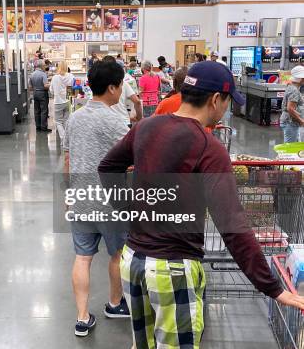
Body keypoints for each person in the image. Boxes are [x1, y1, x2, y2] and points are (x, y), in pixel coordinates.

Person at [99, 61, 304, 349]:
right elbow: (232, 224)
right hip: (173, 270)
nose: (227, 108)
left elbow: (108, 166)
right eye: (228, 100)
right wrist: (272, 287)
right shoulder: (208, 147)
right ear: (215, 99)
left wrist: (130, 211)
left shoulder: (146, 127)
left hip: (133, 262)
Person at [63, 60, 131, 338]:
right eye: (121, 85)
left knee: (82, 257)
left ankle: (82, 317)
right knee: (117, 255)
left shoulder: (75, 117)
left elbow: (68, 157)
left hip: (80, 197)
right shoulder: (116, 120)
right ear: (113, 87)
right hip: (111, 201)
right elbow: (132, 159)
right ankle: (115, 304)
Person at [107, 56, 142, 126]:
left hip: (107, 123)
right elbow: (137, 101)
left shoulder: (100, 84)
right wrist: (139, 118)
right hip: (123, 121)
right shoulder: (124, 82)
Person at [49, 61, 74, 141]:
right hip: (68, 101)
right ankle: (67, 138)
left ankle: (63, 138)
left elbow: (51, 90)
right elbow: (72, 89)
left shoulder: (55, 77)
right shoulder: (71, 76)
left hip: (58, 102)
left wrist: (56, 93)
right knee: (66, 120)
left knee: (58, 121)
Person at [280, 65, 304, 143]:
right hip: (290, 122)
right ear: (301, 79)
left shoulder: (292, 87)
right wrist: (301, 121)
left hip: (290, 122)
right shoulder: (294, 90)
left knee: (295, 145)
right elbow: (290, 109)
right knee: (289, 148)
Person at [29, 59, 51, 132]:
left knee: (36, 110)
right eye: (44, 65)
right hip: (42, 93)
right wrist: (50, 84)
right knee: (44, 111)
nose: (45, 66)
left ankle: (37, 127)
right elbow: (45, 86)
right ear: (41, 66)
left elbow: (30, 87)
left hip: (35, 93)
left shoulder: (32, 74)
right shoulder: (43, 74)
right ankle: (43, 127)